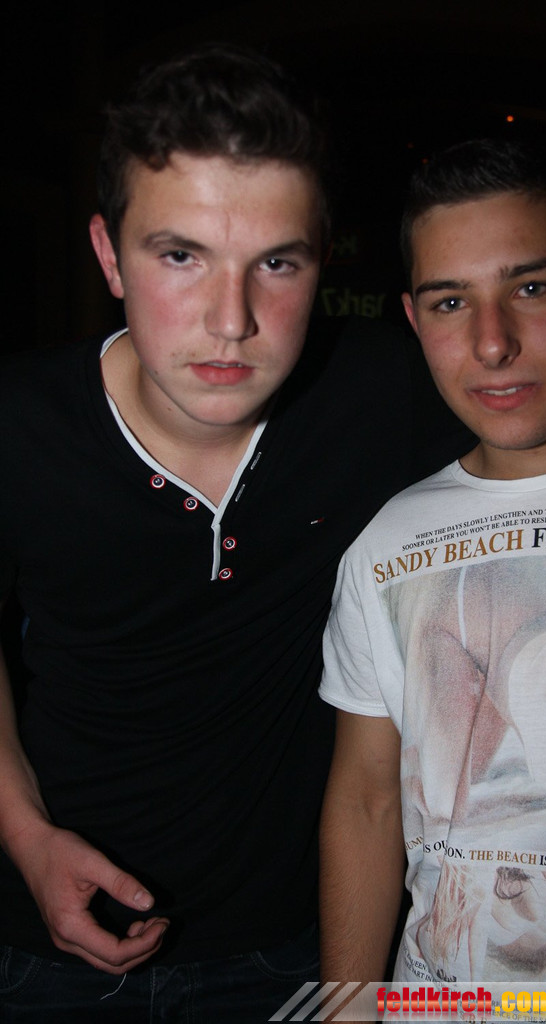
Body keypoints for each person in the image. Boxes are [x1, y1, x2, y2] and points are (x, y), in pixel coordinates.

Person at [0, 45, 474, 1020]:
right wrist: (26, 836)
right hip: (39, 948)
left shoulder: (380, 393)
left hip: (287, 951)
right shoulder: (17, 422)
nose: (232, 320)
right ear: (108, 254)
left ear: (323, 257)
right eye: (181, 256)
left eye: (276, 264)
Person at [319, 138, 546, 1009]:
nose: (490, 343)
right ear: (414, 322)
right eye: (451, 302)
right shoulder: (384, 540)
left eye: (530, 288)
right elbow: (367, 801)